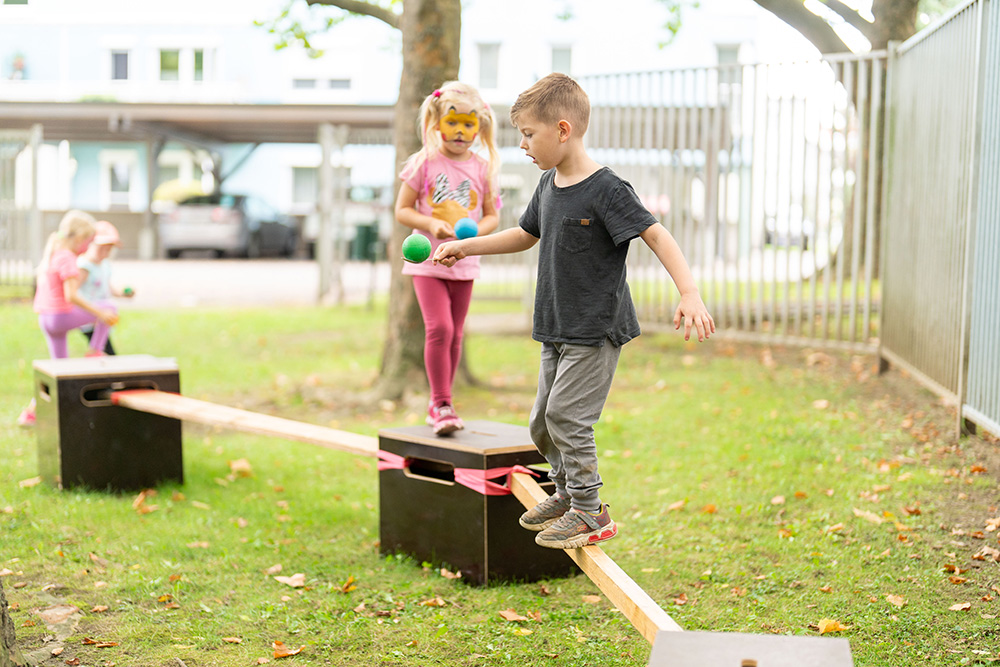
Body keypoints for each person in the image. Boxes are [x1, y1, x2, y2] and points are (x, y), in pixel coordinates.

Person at [433, 73, 715, 549]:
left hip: (595, 328)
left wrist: (689, 292)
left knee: (567, 416)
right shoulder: (548, 184)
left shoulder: (607, 188)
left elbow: (656, 234)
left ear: (562, 130)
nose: (522, 145)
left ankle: (590, 511)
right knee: (542, 420)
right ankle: (566, 493)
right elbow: (525, 235)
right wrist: (467, 247)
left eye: (528, 134)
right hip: (556, 327)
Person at [394, 80, 502, 436]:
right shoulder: (423, 163)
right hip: (427, 260)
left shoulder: (483, 168)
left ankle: (443, 402)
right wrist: (431, 225)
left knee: (455, 334)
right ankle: (440, 402)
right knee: (439, 328)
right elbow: (402, 210)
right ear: (436, 123)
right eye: (453, 122)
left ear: (480, 127)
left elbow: (491, 216)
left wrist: (474, 234)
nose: (460, 131)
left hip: (464, 260)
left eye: (469, 124)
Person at [17, 211, 119, 427]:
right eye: (88, 242)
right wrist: (99, 313)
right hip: (59, 316)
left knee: (59, 371)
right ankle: (95, 351)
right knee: (109, 307)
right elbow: (71, 296)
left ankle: (31, 414)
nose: (86, 247)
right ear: (79, 238)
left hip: (46, 319)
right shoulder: (68, 258)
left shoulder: (53, 252)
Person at [77, 220, 134, 355]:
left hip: (103, 317)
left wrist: (123, 293)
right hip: (91, 315)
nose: (105, 252)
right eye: (101, 248)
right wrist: (92, 310)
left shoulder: (105, 266)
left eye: (108, 249)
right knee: (107, 353)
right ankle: (95, 353)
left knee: (106, 353)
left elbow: (108, 288)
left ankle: (96, 355)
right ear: (90, 244)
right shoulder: (85, 266)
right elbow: (73, 292)